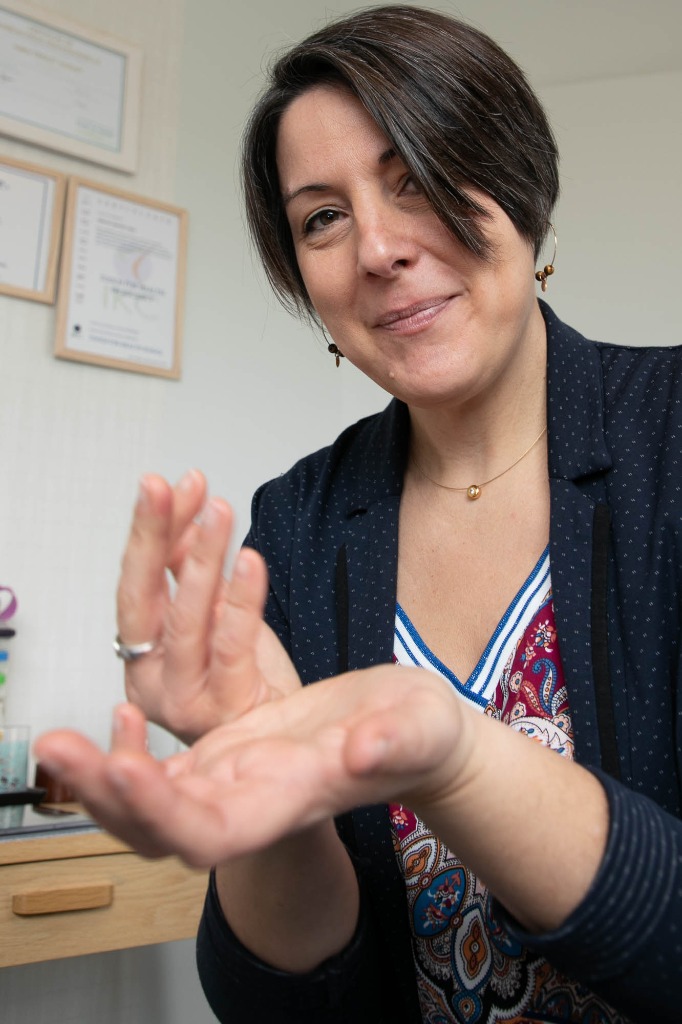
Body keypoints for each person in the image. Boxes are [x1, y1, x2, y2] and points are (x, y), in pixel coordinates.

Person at [35, 6, 682, 1023]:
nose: (376, 249)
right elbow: (287, 1005)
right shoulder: (296, 523)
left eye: (413, 175)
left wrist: (456, 758)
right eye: (321, 218)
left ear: (518, 183)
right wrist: (272, 806)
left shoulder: (670, 440)